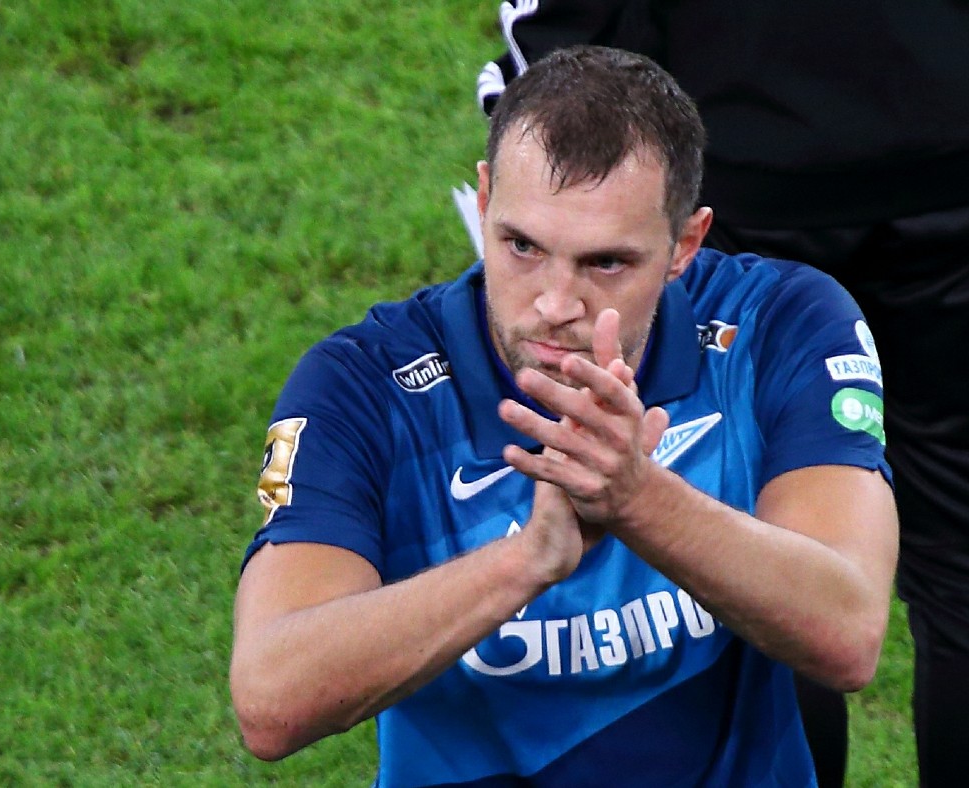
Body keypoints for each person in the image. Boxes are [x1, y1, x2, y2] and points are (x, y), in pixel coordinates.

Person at [476, 2, 969, 786]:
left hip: (743, 162)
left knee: (755, 541)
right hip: (968, 141)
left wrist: (551, 113)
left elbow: (559, 21)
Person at [231, 45, 899, 786]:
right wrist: (528, 560)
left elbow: (848, 633)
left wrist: (638, 499)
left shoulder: (778, 326)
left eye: (605, 263)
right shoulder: (362, 385)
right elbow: (271, 701)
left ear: (684, 244)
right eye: (522, 246)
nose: (554, 304)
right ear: (485, 200)